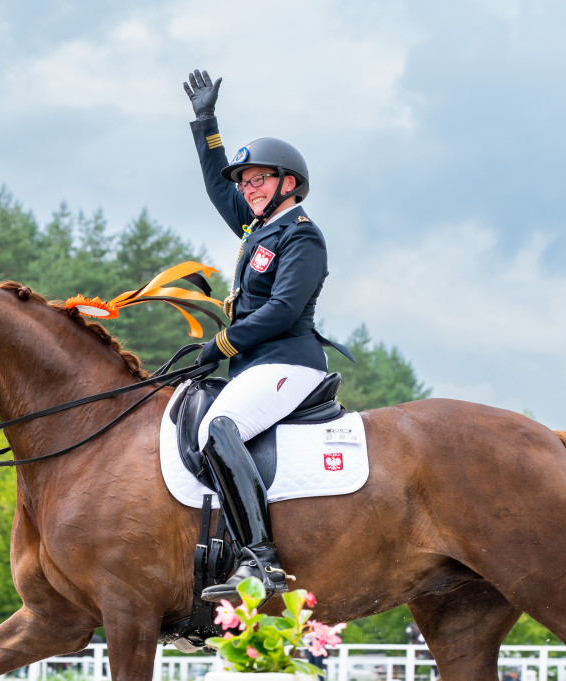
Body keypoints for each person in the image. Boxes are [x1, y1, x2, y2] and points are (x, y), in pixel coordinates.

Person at [183, 68, 354, 602]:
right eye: (247, 182)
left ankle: (260, 561)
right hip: (257, 364)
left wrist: (220, 345)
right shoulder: (260, 228)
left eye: (258, 180)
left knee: (218, 428)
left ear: (288, 183)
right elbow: (217, 184)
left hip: (289, 360)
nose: (248, 189)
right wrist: (206, 122)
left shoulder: (303, 237)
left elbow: (282, 311)